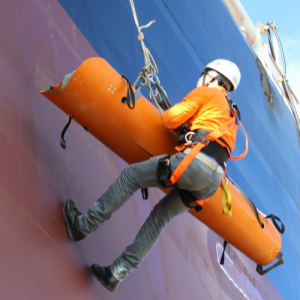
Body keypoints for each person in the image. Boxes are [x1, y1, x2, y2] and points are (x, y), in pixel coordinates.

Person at [63, 59, 241, 292]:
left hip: (195, 164)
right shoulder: (231, 116)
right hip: (212, 182)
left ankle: (83, 226)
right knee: (160, 218)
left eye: (202, 75)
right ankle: (117, 273)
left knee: (130, 177)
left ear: (210, 77)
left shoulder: (207, 93)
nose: (200, 79)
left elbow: (169, 119)